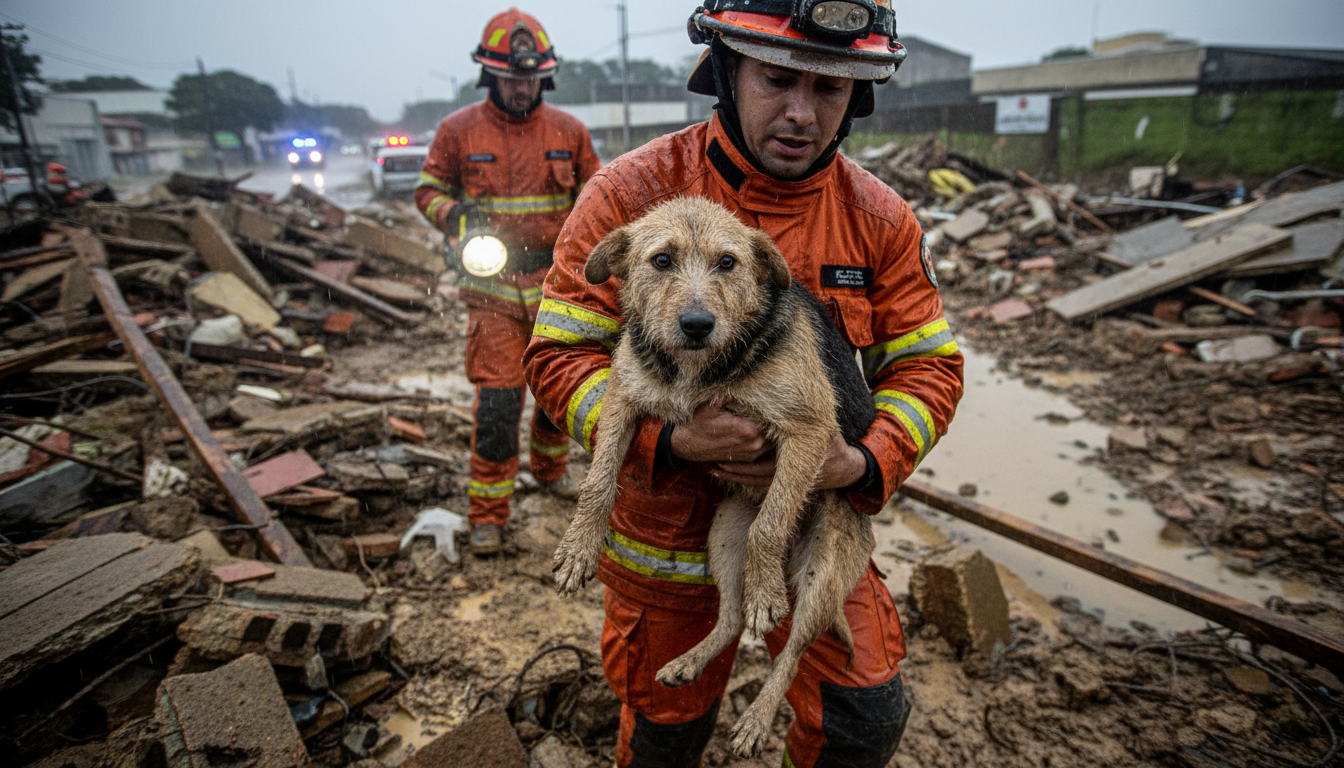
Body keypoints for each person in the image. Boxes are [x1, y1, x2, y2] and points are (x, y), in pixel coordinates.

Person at [524, 2, 964, 766]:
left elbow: (928, 368)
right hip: (662, 542)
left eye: (830, 90)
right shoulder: (631, 195)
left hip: (807, 521)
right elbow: (559, 358)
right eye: (778, 78)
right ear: (727, 71)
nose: (802, 112)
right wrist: (671, 437)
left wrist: (861, 463)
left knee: (862, 720)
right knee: (667, 733)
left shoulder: (880, 219)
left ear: (857, 99)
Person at [416, 7, 601, 556]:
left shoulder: (570, 131)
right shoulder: (457, 130)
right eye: (511, 77)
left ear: (544, 76)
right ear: (490, 74)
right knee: (498, 408)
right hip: (492, 291)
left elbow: (598, 198)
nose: (522, 87)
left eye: (530, 77)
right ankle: (488, 516)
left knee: (555, 396)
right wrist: (454, 216)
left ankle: (550, 474)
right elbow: (427, 188)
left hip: (557, 289)